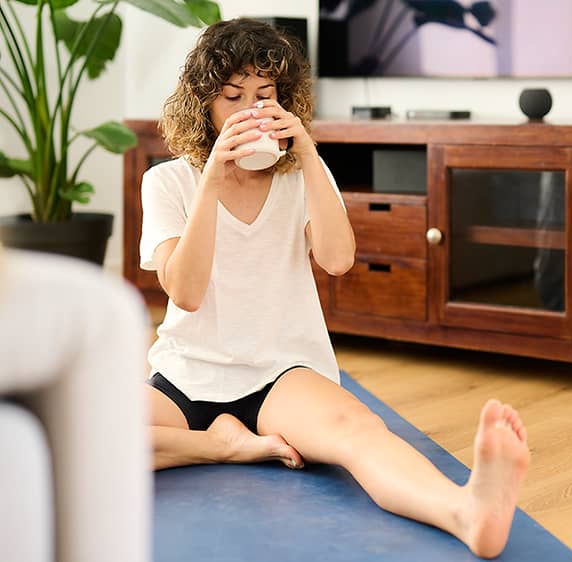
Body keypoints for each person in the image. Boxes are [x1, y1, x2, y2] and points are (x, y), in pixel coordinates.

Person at [142, 18, 530, 559]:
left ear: (285, 101)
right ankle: (221, 445)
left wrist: (305, 152)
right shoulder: (170, 180)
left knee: (358, 430)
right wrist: (212, 175)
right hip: (188, 371)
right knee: (96, 435)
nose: (251, 110)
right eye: (232, 97)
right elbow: (184, 292)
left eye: (265, 95)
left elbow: (338, 259)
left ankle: (466, 511)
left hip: (280, 370)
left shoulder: (302, 172)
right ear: (204, 104)